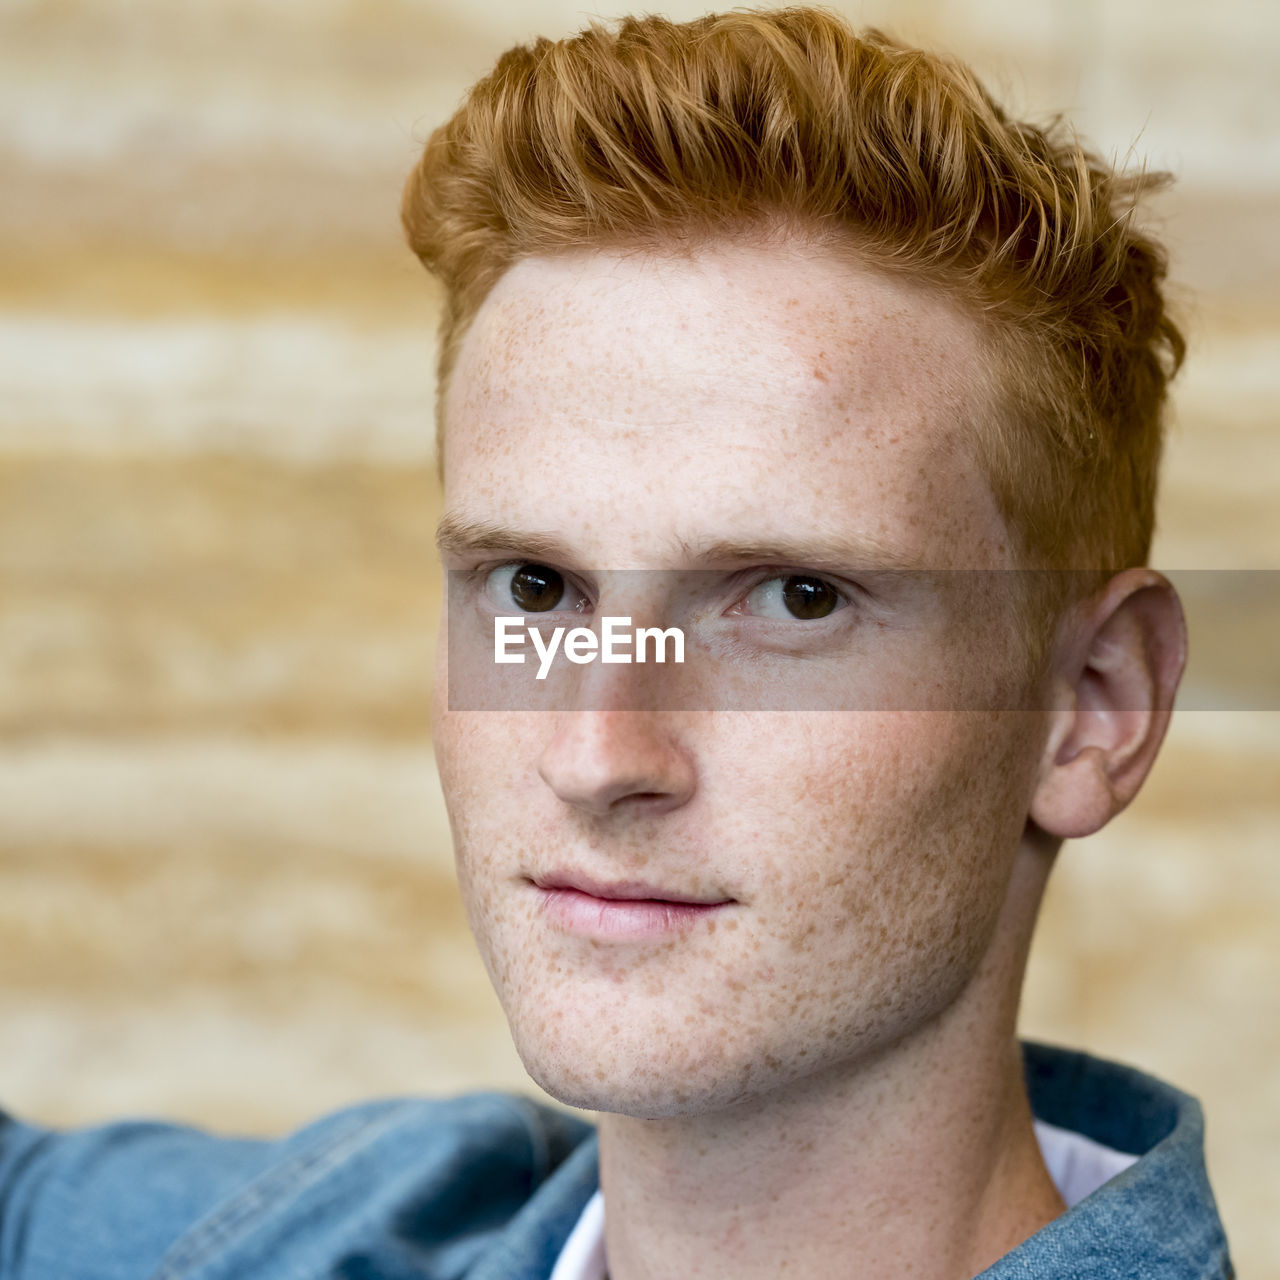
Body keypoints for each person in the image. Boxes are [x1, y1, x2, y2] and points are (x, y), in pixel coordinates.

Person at [0, 9, 1235, 1278]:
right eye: (534, 585)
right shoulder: (322, 1228)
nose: (597, 753)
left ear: (1093, 703)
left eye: (795, 599)